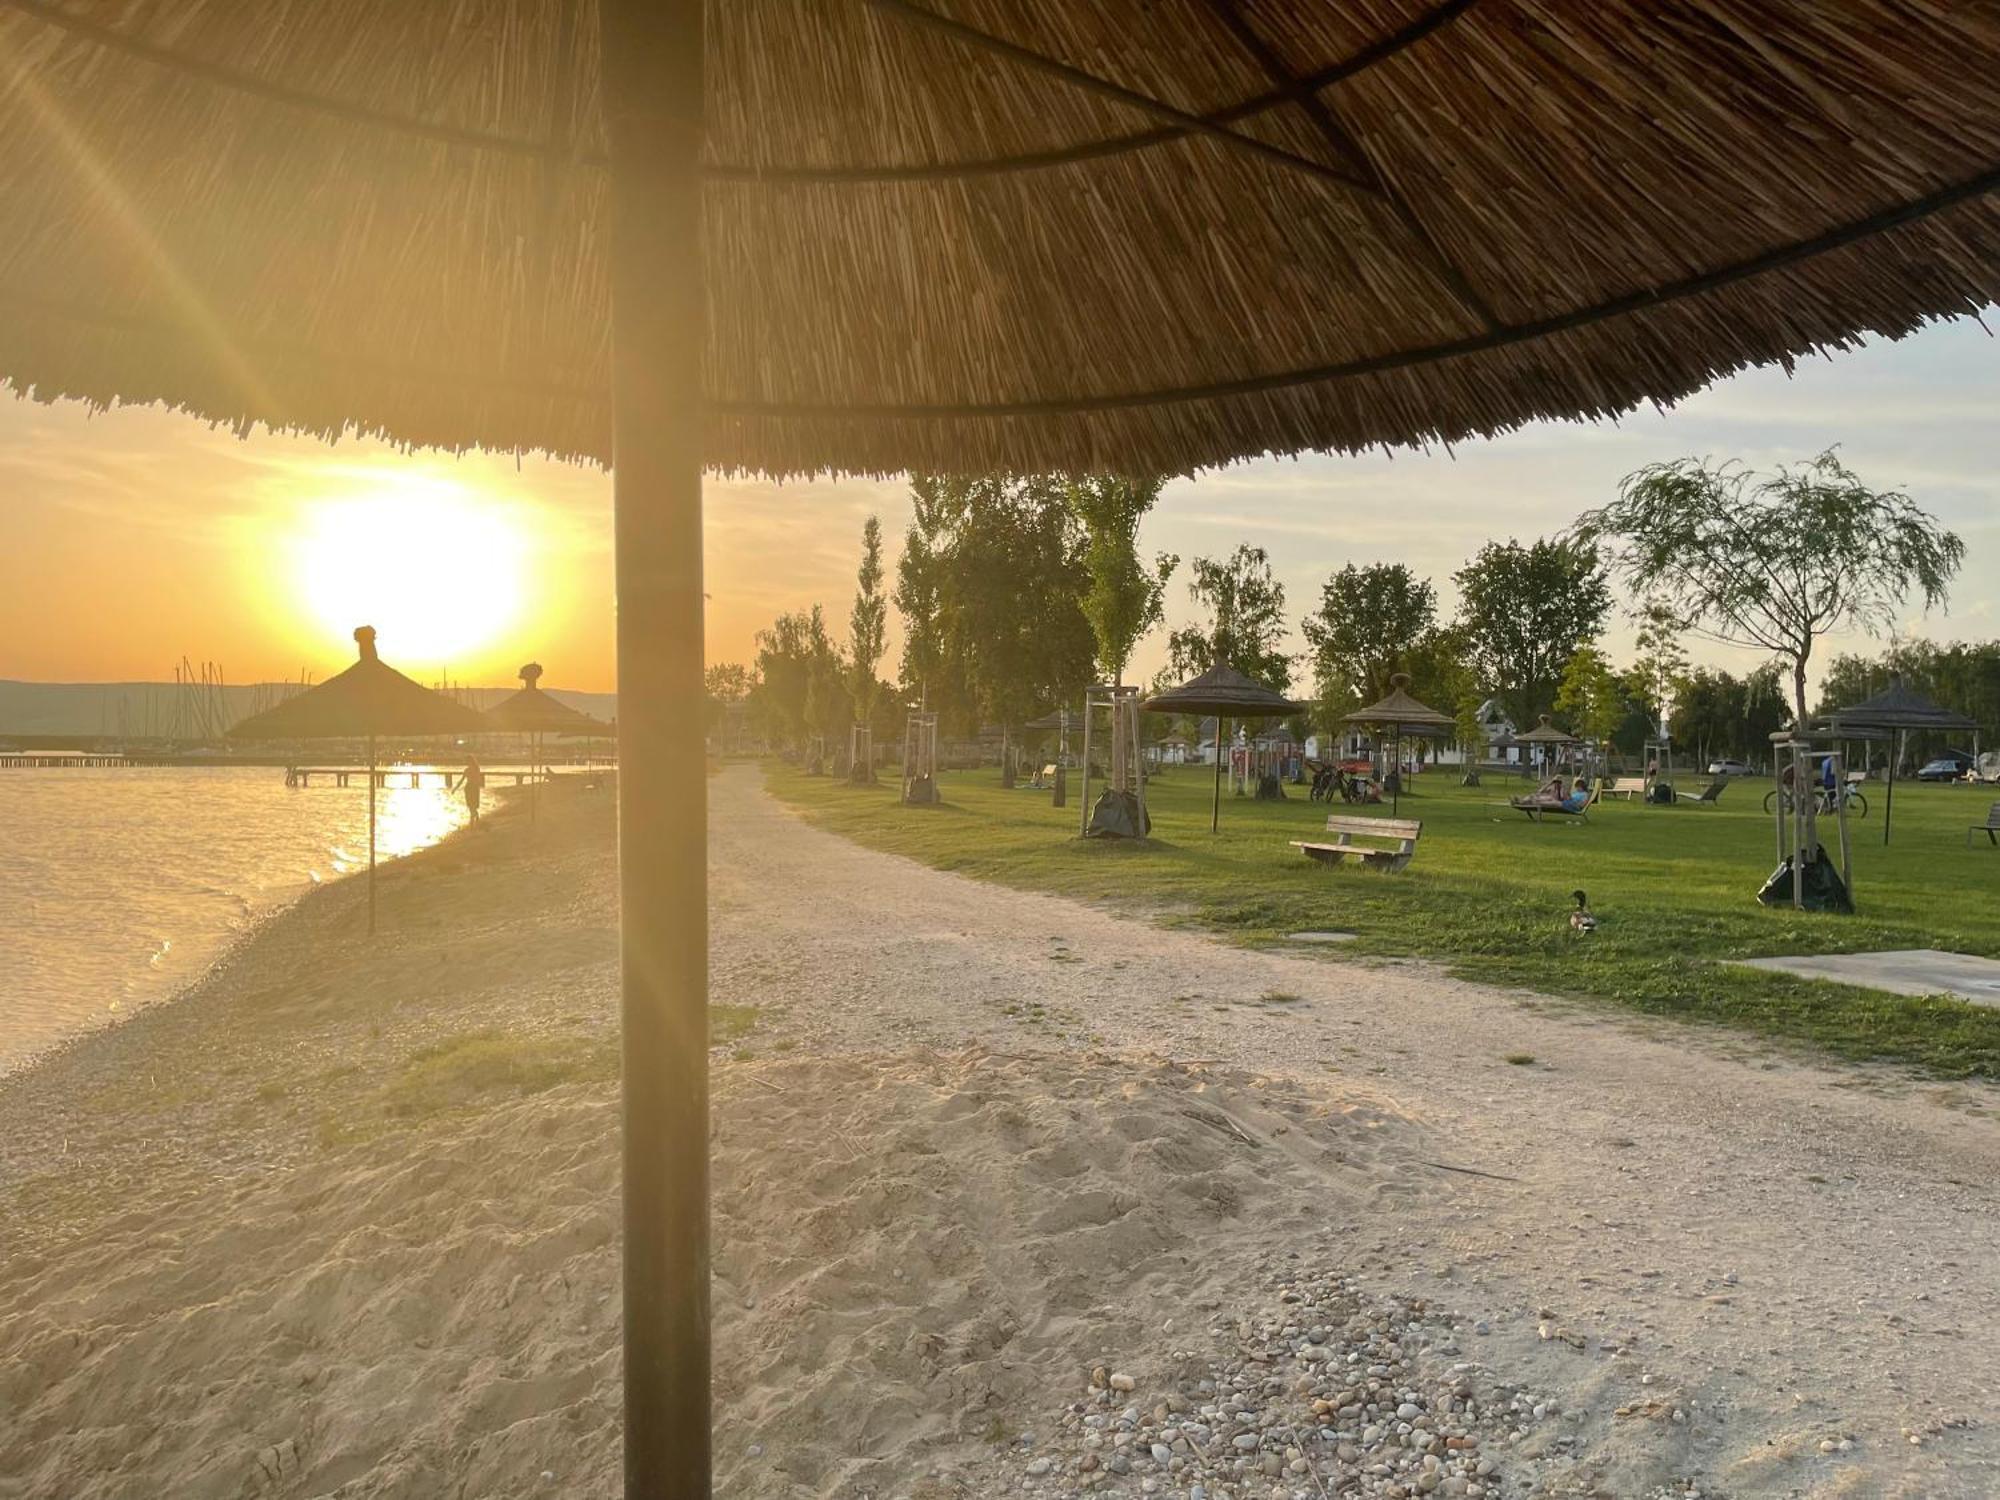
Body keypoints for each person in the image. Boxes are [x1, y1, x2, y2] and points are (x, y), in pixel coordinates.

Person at [462, 754, 486, 823]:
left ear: (468, 761)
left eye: (465, 761)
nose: (464, 762)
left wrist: (455, 788)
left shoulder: (467, 770)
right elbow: (478, 779)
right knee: (474, 805)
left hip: (469, 788)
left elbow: (461, 780)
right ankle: (474, 817)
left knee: (471, 805)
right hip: (475, 788)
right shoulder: (477, 768)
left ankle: (473, 819)